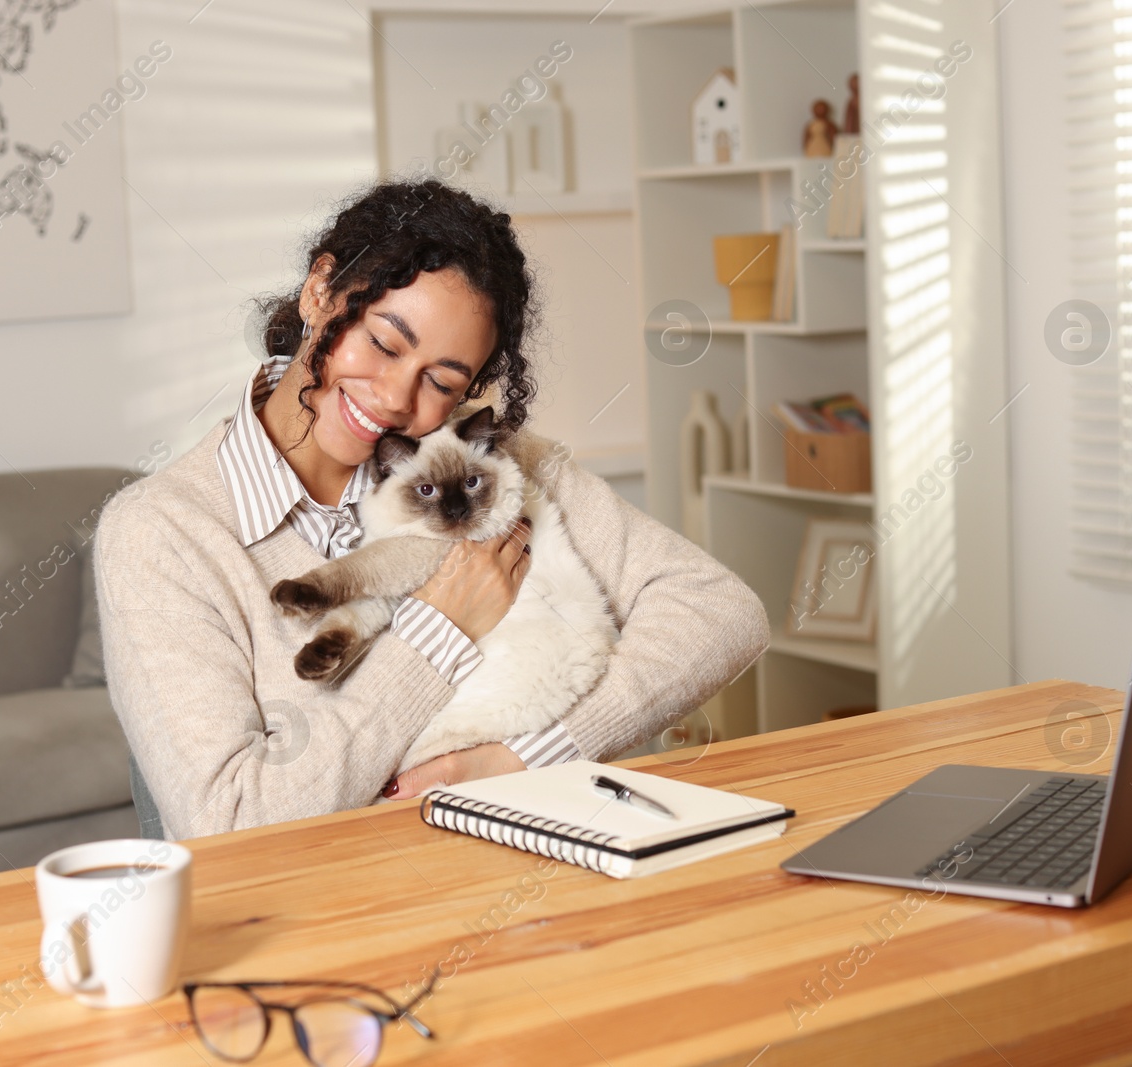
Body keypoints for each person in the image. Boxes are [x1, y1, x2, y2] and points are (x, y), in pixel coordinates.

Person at [94, 177, 768, 840]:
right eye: (386, 343)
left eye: (441, 381)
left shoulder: (492, 472)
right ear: (319, 291)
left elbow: (721, 610)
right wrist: (441, 625)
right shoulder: (162, 534)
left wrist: (527, 759)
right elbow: (230, 822)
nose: (393, 397)